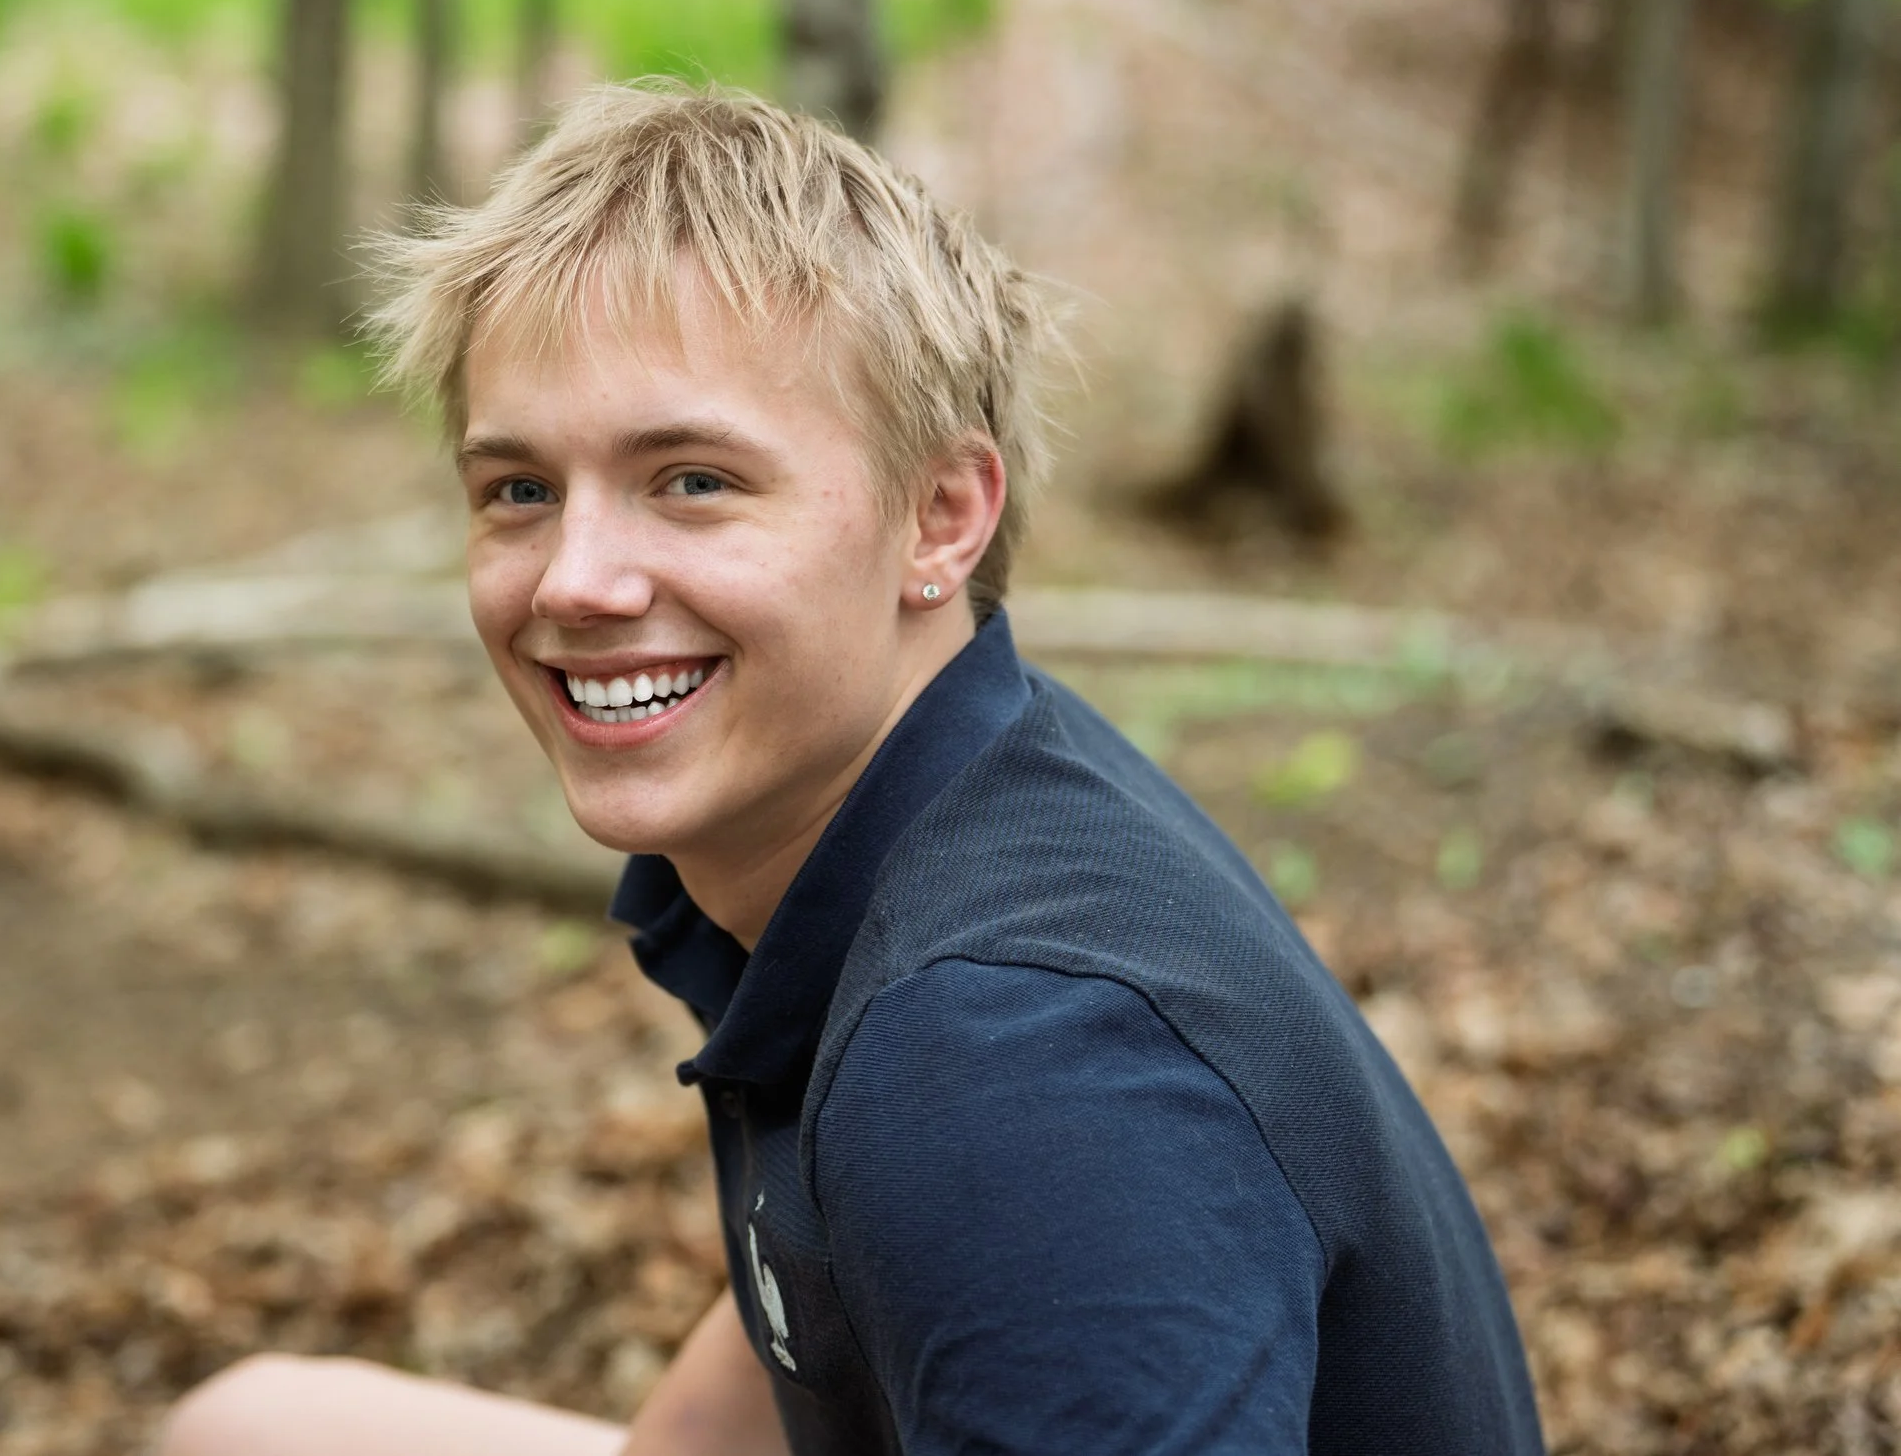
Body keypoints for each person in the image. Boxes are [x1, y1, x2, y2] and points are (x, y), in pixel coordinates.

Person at [161, 84, 1544, 1456]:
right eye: (518, 490)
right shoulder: (912, 814)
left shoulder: (1015, 1053)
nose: (573, 581)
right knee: (252, 1425)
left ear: (940, 517)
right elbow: (754, 1381)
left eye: (692, 478)